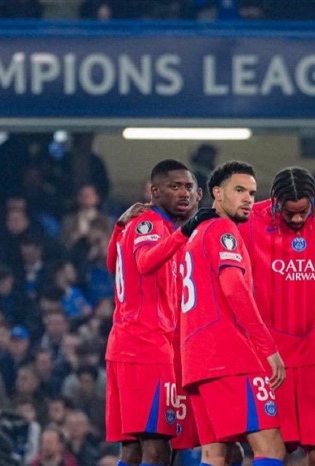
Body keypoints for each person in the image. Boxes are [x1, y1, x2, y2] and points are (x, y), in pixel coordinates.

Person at [237, 166, 315, 466]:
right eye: (289, 212)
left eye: (303, 212)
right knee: (271, 448)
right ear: (275, 202)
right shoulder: (251, 220)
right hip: (269, 358)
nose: (296, 219)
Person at [180, 160, 286, 466]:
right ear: (217, 193)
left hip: (198, 360)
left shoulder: (196, 234)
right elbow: (234, 289)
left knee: (215, 455)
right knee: (271, 448)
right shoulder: (222, 230)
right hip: (229, 356)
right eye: (239, 190)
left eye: (252, 193)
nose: (248, 199)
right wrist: (268, 348)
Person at [104, 159, 202, 466]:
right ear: (155, 191)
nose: (184, 193)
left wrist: (118, 228)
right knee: (156, 447)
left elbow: (113, 264)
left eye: (188, 187)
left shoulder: (141, 225)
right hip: (145, 347)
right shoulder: (151, 225)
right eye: (175, 187)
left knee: (133, 449)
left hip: (127, 346)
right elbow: (146, 262)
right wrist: (185, 232)